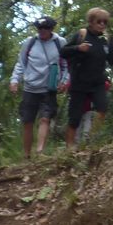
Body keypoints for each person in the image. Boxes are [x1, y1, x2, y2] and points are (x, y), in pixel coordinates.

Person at [61, 8, 113, 147]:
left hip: (98, 83)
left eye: (105, 22)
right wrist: (78, 48)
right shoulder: (82, 34)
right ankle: (69, 148)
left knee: (102, 108)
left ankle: (89, 141)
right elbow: (63, 52)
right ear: (91, 22)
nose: (102, 24)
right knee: (74, 118)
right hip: (79, 83)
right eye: (99, 21)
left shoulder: (106, 39)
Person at [9, 16, 68, 159]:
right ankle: (26, 155)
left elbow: (66, 65)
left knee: (45, 119)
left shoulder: (60, 43)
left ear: (51, 29)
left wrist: (65, 80)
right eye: (40, 28)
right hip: (30, 88)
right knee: (28, 122)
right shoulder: (29, 43)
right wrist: (14, 80)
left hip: (49, 89)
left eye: (45, 28)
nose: (42, 31)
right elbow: (20, 63)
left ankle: (39, 152)